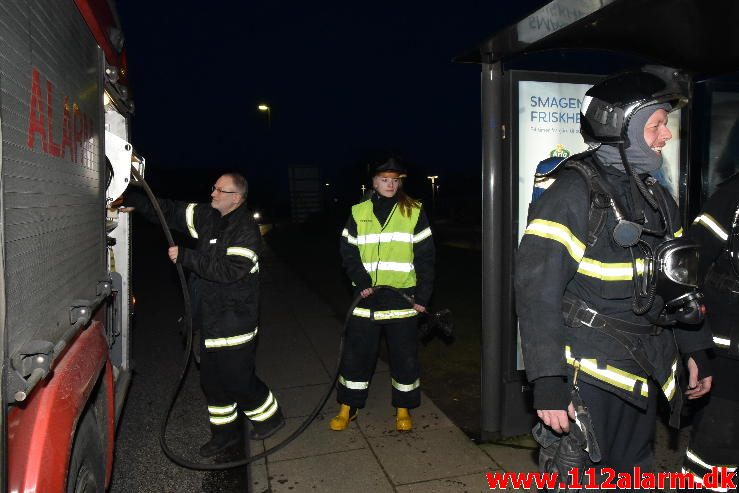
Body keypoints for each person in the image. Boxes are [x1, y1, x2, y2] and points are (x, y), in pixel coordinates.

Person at [514, 66, 714, 484]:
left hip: (642, 367)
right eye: (657, 125)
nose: (666, 136)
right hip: (587, 375)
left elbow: (678, 280)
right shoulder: (571, 193)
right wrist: (548, 382)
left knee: (632, 475)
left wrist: (695, 349)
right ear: (620, 128)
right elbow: (538, 293)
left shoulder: (657, 196)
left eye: (665, 125)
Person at [125, 172, 284, 457]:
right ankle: (224, 436)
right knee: (211, 383)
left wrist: (187, 257)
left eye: (219, 190)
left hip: (235, 323)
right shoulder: (209, 217)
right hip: (207, 320)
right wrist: (133, 200)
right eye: (213, 188)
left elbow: (231, 271)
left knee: (237, 380)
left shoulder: (245, 229)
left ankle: (270, 418)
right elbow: (171, 210)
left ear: (236, 198)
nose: (212, 194)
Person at [332, 158, 435, 432]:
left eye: (395, 179)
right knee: (355, 356)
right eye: (384, 179)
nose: (390, 184)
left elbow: (426, 258)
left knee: (405, 358)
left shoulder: (413, 211)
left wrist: (423, 298)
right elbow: (348, 251)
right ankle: (348, 407)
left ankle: (403, 409)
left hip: (402, 300)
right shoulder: (358, 211)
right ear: (374, 182)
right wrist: (361, 280)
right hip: (366, 299)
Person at [682, 172, 739, 489]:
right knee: (716, 455)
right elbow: (690, 265)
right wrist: (695, 347)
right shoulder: (732, 197)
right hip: (730, 354)